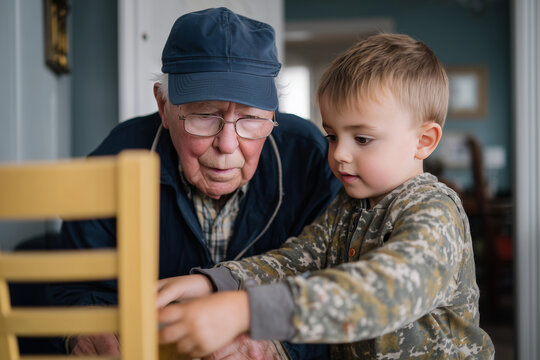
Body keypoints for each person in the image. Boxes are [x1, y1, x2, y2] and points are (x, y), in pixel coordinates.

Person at [155, 34, 496, 359]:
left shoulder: (434, 211)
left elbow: (385, 290)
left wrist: (247, 310)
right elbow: (294, 260)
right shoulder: (348, 207)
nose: (339, 155)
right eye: (332, 136)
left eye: (362, 139)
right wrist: (212, 283)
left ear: (424, 141)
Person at [49, 7, 341, 359]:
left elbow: (339, 289)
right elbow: (74, 286)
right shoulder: (115, 160)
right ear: (163, 106)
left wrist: (278, 347)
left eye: (251, 119)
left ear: (273, 115)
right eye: (205, 115)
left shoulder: (311, 159)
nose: (228, 145)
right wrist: (86, 326)